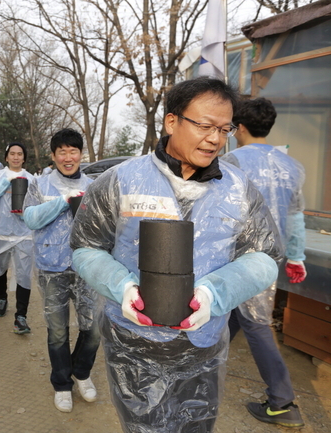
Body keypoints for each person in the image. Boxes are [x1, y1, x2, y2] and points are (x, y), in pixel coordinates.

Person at [70, 77, 283, 432]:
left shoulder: (239, 189)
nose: (215, 138)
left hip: (203, 346)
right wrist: (122, 288)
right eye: (204, 125)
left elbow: (264, 257)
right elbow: (86, 246)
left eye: (224, 129)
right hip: (134, 344)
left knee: (196, 426)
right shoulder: (120, 180)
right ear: (172, 122)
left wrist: (215, 293)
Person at [222, 97, 306, 428]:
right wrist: (296, 257)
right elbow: (296, 217)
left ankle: (282, 401)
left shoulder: (231, 162)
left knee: (255, 323)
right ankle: (193, 363)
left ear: (239, 128)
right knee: (230, 314)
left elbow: (221, 213)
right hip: (271, 259)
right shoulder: (293, 166)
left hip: (239, 257)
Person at [23, 128, 100, 413]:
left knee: (93, 329)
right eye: (62, 152)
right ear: (53, 155)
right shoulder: (39, 184)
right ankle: (62, 384)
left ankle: (81, 372)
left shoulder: (94, 185)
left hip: (87, 267)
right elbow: (30, 218)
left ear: (81, 154)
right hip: (50, 267)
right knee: (57, 332)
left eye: (73, 151)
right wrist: (63, 201)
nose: (68, 157)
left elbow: (104, 226)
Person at [0, 142, 36, 334]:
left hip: (24, 234)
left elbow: (36, 205)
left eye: (19, 154)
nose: (15, 157)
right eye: (12, 154)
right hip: (0, 231)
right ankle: (2, 297)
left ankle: (21, 316)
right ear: (6, 157)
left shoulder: (31, 179)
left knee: (24, 273)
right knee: (0, 269)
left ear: (24, 157)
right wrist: (8, 181)